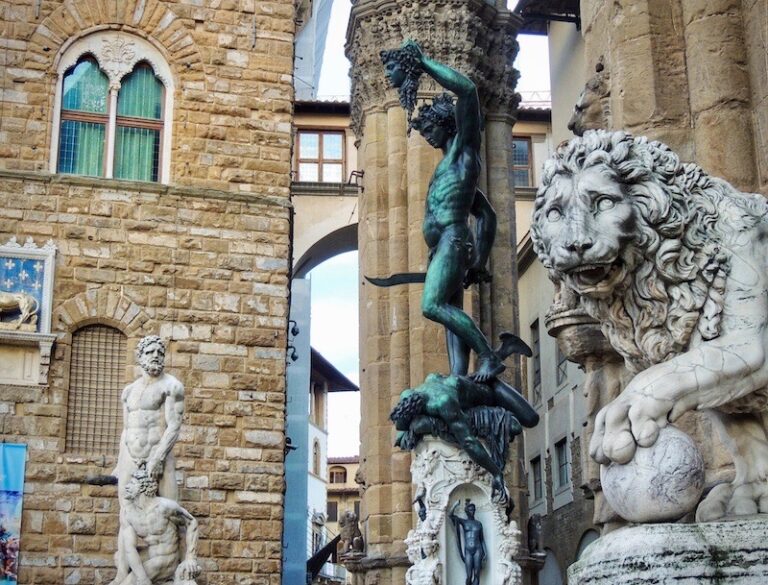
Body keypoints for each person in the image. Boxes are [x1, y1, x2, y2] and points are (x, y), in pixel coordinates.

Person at [383, 40, 502, 382]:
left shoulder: (465, 153)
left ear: (447, 124)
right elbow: (487, 214)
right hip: (444, 246)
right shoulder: (448, 170)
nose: (429, 137)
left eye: (431, 130)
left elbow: (466, 90)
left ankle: (489, 357)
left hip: (453, 240)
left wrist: (422, 61)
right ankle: (457, 376)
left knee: (431, 305)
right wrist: (478, 262)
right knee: (451, 313)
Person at [391, 373, 538, 502]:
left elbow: (469, 442)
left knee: (527, 420)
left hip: (492, 392)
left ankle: (495, 378)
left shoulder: (442, 402)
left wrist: (496, 473)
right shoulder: (409, 394)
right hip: (462, 396)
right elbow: (401, 430)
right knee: (419, 426)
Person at [115, 335, 184, 500]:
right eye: (150, 352)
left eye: (160, 352)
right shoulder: (128, 391)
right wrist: (119, 463)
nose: (155, 355)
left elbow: (174, 426)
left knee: (170, 512)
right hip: (130, 458)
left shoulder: (171, 386)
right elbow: (126, 430)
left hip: (159, 456)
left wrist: (158, 459)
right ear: (140, 356)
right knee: (127, 513)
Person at [110, 468, 200, 585]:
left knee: (129, 582)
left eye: (132, 484)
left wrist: (190, 558)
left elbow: (191, 522)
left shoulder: (164, 507)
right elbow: (129, 549)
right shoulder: (128, 513)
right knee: (120, 558)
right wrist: (142, 578)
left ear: (143, 487)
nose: (126, 487)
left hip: (166, 558)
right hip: (151, 553)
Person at [450, 500, 485, 585]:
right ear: (466, 511)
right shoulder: (463, 522)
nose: (472, 511)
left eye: (473, 509)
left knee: (477, 574)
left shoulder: (478, 524)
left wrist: (486, 553)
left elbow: (482, 540)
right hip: (468, 550)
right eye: (470, 510)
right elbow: (450, 515)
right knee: (469, 575)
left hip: (478, 549)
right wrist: (455, 505)